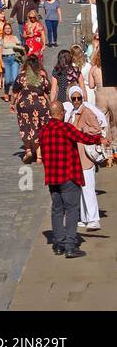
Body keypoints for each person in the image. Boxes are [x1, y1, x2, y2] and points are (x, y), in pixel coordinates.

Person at [38, 101, 102, 258]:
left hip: (53, 177)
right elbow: (83, 138)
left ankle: (58, 244)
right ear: (61, 113)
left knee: (57, 209)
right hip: (68, 175)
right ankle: (70, 246)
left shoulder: (44, 130)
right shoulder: (65, 128)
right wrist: (99, 139)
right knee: (72, 210)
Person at [64, 90, 109, 231]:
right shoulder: (72, 112)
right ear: (70, 99)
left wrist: (82, 129)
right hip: (76, 156)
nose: (76, 100)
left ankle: (94, 219)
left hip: (85, 156)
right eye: (74, 98)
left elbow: (97, 129)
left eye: (79, 98)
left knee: (88, 188)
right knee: (81, 188)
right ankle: (84, 218)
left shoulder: (87, 112)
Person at [12, 56, 52, 163]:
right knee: (39, 127)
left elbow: (15, 91)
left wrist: (12, 103)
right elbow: (48, 89)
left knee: (25, 126)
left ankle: (28, 150)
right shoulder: (41, 76)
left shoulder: (21, 76)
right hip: (40, 104)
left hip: (24, 104)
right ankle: (39, 156)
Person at [89, 47, 117, 143]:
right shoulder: (113, 68)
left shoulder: (93, 69)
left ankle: (106, 144)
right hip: (114, 95)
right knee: (115, 123)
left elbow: (91, 85)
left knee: (103, 123)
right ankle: (115, 144)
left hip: (100, 98)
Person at [0, 21, 23, 99]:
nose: (7, 30)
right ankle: (6, 92)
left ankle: (14, 94)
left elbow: (19, 49)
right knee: (8, 80)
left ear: (11, 29)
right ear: (3, 30)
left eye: (9, 28)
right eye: (6, 28)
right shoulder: (1, 39)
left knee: (15, 78)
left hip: (14, 59)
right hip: (5, 59)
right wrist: (1, 62)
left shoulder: (15, 37)